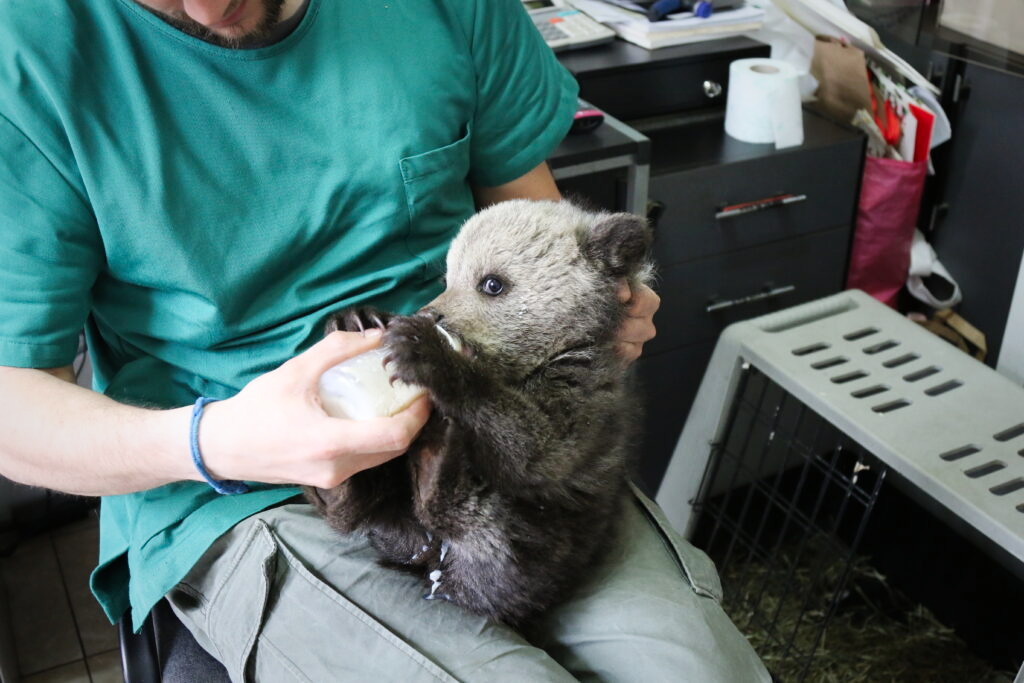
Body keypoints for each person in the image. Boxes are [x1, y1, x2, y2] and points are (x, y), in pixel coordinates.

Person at [0, 0, 770, 680]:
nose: (208, 12)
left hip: (487, 420)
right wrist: (218, 440)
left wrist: (602, 308)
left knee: (697, 665)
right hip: (235, 481)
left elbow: (536, 231)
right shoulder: (26, 55)